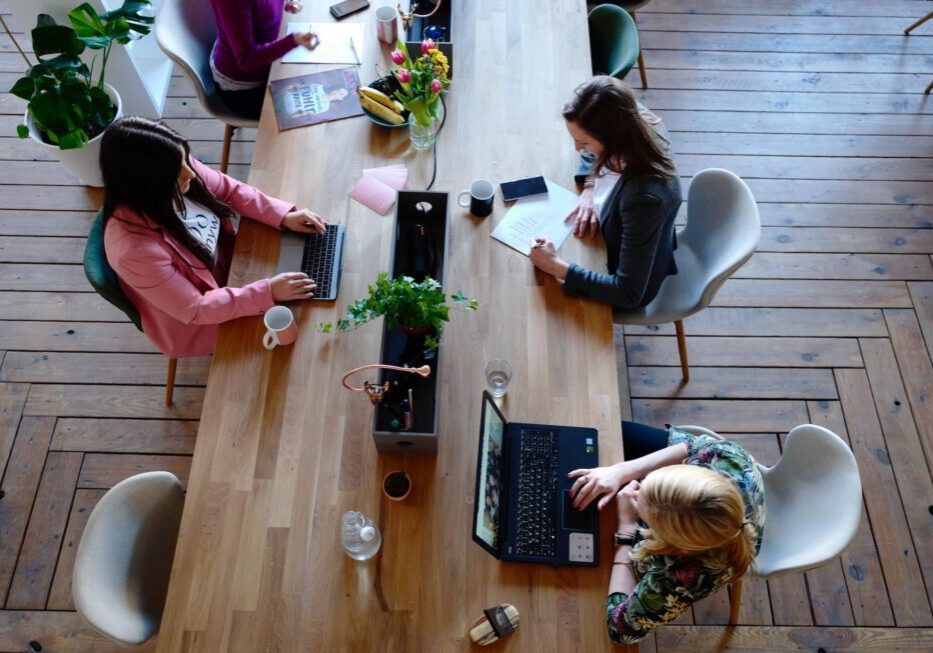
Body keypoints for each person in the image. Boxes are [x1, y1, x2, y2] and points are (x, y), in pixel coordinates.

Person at [101, 116, 326, 358]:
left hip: (234, 267)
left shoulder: (174, 168)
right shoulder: (134, 252)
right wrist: (267, 292)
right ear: (146, 184)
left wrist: (283, 215)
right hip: (201, 319)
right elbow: (196, 309)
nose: (191, 173)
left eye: (186, 159)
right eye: (179, 171)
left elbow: (230, 190)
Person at [569, 422, 765, 644]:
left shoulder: (678, 580)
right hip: (726, 518)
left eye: (647, 516)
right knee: (610, 432)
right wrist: (622, 470)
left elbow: (620, 630)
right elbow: (691, 445)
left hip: (702, 558)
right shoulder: (728, 457)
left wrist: (626, 530)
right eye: (648, 484)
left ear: (675, 545)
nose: (635, 487)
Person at [529, 76, 682, 310]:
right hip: (612, 235)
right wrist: (590, 187)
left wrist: (556, 267)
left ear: (613, 138)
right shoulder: (630, 118)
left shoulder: (644, 200)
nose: (577, 149)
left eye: (583, 142)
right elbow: (593, 154)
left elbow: (629, 292)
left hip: (624, 279)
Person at [209, 0, 319, 119]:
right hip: (245, 91)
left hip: (269, 63)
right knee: (310, 116)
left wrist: (286, 3)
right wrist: (293, 41)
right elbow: (246, 59)